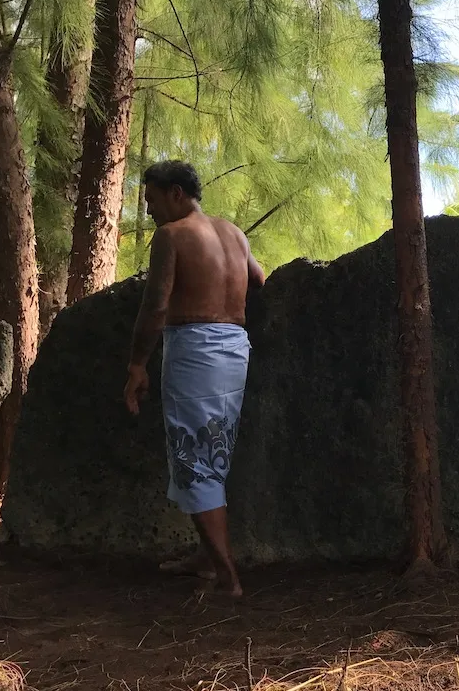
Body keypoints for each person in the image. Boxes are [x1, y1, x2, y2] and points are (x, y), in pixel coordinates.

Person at [123, 160, 265, 599]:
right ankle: (206, 560)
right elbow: (259, 279)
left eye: (151, 200)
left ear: (176, 193)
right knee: (213, 451)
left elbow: (156, 305)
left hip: (195, 348)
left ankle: (228, 578)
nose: (149, 210)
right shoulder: (234, 233)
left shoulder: (171, 235)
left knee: (194, 459)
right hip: (234, 348)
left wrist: (137, 364)